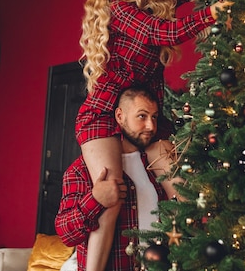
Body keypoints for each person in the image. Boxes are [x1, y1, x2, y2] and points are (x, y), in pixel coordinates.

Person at [77, 0, 245, 271]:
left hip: (147, 115)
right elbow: (162, 32)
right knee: (111, 196)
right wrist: (213, 12)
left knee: (181, 188)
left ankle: (201, 262)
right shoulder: (121, 11)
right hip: (103, 114)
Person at [56, 85, 170, 270]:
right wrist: (95, 200)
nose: (150, 126)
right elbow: (66, 235)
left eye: (154, 117)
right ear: (120, 116)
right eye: (142, 116)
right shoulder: (82, 170)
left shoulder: (156, 166)